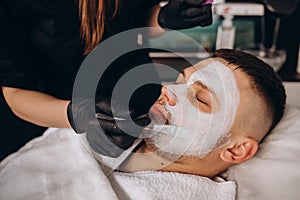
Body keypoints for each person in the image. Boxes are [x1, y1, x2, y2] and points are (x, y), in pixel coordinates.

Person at [0, 0, 213, 160]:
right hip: (46, 117)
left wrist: (161, 18)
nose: (172, 91)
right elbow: (15, 90)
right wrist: (79, 115)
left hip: (138, 99)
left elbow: (133, 23)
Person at [117, 48, 286, 178]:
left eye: (200, 99)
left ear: (237, 149)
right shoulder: (111, 129)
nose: (167, 90)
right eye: (180, 80)